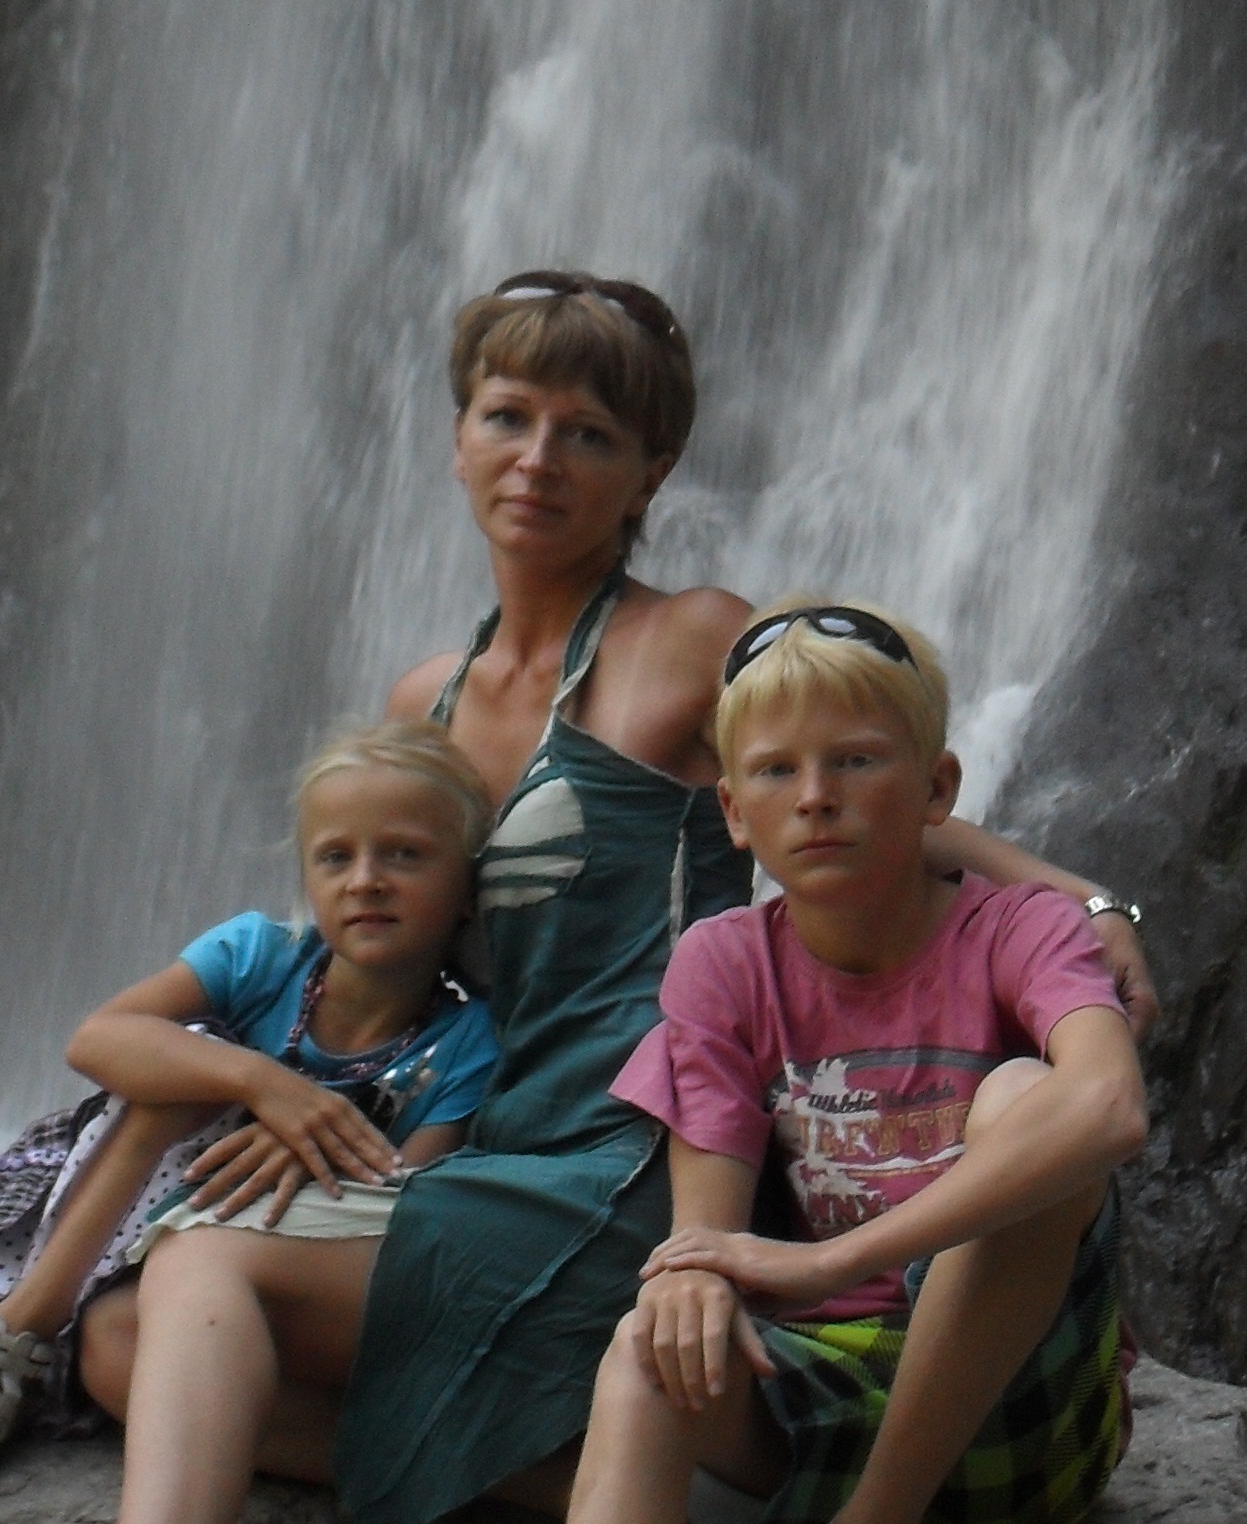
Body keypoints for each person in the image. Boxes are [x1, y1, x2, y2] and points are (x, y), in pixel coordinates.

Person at [80, 271, 1158, 1524]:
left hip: (639, 1150)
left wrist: (1090, 906)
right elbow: (391, 957)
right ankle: (648, 1488)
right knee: (118, 1343)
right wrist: (303, 1089)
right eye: (507, 417)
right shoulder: (424, 699)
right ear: (456, 437)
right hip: (488, 1135)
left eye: (586, 434)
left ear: (649, 475)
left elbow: (843, 790)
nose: (538, 459)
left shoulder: (692, 637)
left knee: (204, 1278)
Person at [568, 601, 1148, 1524]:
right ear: (734, 811)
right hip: (824, 1388)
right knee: (647, 1346)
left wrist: (831, 1263)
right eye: (776, 770)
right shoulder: (724, 963)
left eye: (855, 760)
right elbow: (706, 1234)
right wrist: (691, 1280)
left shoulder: (1020, 930)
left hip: (1026, 1398)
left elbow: (1109, 1105)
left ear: (937, 787)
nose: (814, 796)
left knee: (1027, 1095)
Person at [0, 720, 497, 1487]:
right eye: (335, 857)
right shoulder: (262, 955)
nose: (366, 879)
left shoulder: (465, 1041)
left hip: (250, 1251)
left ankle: (442, 1472)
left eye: (404, 854)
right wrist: (264, 1084)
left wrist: (306, 1142)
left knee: (113, 1351)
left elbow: (401, 1194)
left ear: (468, 888)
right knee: (188, 1059)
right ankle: (17, 1335)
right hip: (105, 1200)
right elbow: (98, 1039)